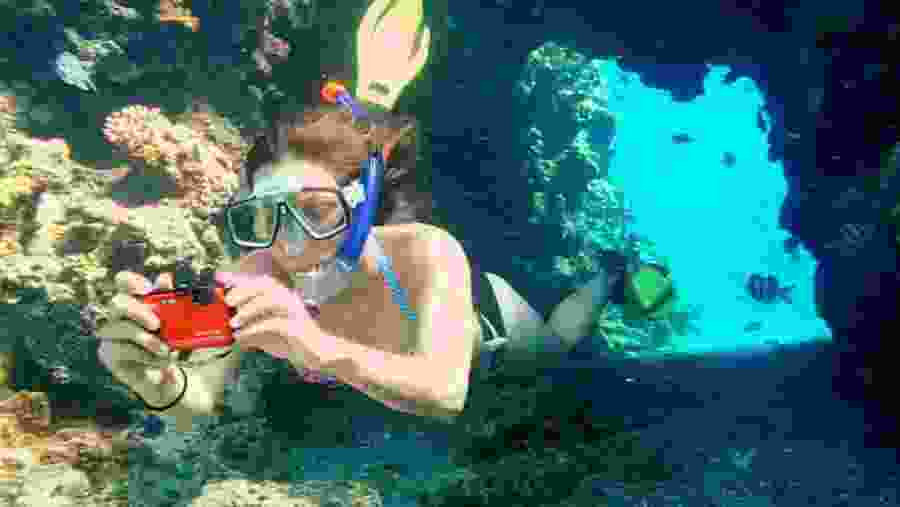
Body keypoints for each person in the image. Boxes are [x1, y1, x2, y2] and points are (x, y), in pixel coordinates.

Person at [95, 0, 676, 430]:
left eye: (314, 211)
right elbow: (196, 404)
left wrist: (316, 348)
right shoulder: (255, 275)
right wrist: (161, 386)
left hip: (492, 331)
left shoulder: (424, 249)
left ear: (361, 207)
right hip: (383, 363)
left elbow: (445, 393)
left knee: (557, 347)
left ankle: (609, 275)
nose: (287, 244)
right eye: (262, 216)